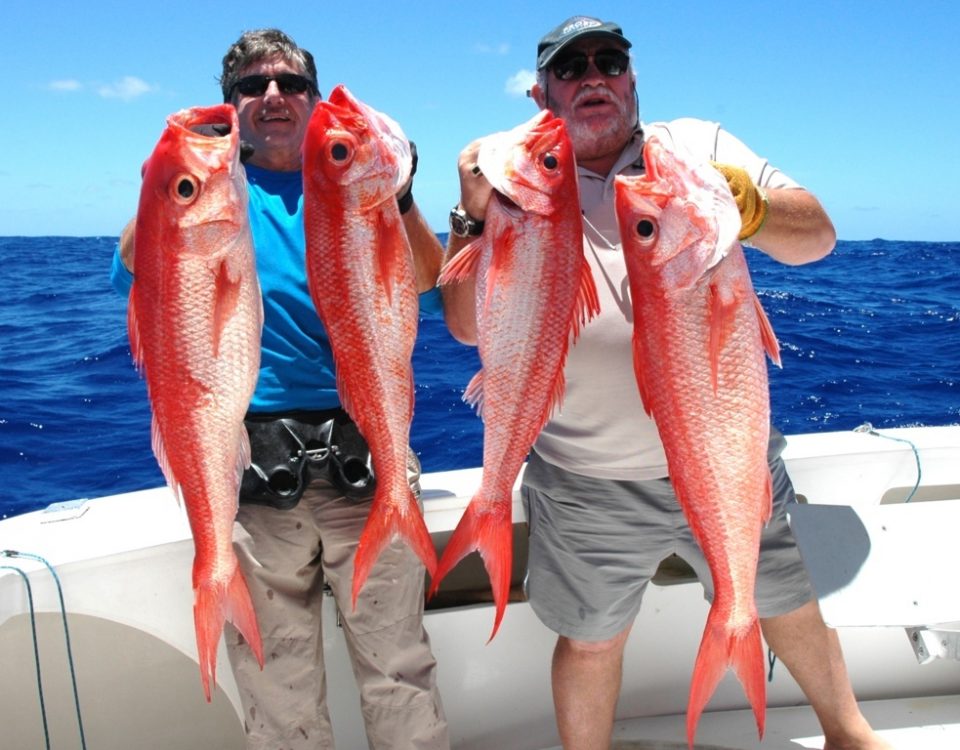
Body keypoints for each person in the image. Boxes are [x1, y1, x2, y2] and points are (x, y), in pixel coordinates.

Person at [442, 15, 894, 750]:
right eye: (571, 66)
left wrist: (747, 206)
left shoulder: (698, 148)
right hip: (584, 478)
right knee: (590, 639)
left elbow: (818, 236)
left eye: (610, 60)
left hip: (729, 456)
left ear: (632, 77)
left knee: (785, 598)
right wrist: (470, 213)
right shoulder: (515, 174)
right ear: (540, 93)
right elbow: (466, 327)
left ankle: (850, 735)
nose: (594, 74)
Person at [111, 28, 449, 750]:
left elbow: (426, 283)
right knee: (277, 687)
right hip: (251, 470)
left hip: (367, 448)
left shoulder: (358, 182)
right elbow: (140, 278)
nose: (272, 95)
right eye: (251, 86)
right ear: (231, 107)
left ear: (313, 98)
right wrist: (168, 180)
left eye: (290, 83)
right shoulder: (210, 192)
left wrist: (404, 193)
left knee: (399, 669)